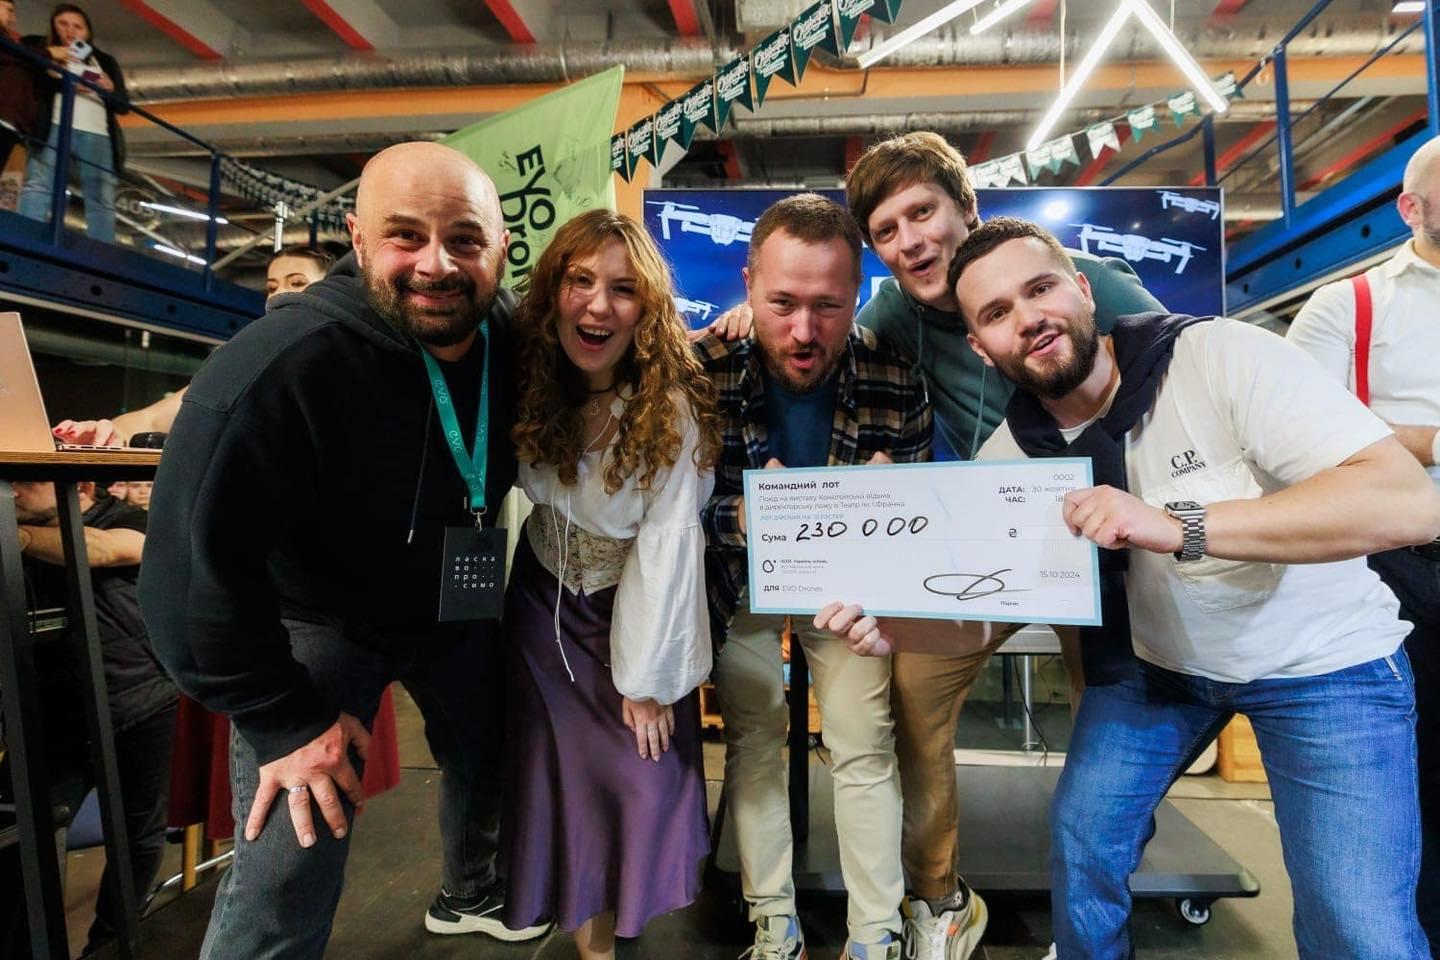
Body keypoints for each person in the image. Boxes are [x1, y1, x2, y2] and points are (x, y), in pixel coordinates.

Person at [704, 132, 1167, 960]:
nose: (911, 240)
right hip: (979, 548)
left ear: (968, 209)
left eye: (923, 213)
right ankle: (931, 900)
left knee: (1108, 726)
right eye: (888, 229)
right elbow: (805, 328)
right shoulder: (884, 322)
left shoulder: (1079, 283)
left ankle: (1077, 910)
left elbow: (1172, 362)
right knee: (894, 709)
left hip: (1116, 536)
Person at [929, 216, 1436, 958]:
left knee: (1356, 923)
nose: (1028, 318)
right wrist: (890, 623)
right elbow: (976, 604)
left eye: (1040, 289)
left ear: (1082, 288)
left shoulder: (1217, 356)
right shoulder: (1010, 460)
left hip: (1325, 664)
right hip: (1161, 670)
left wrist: (1180, 525)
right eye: (997, 312)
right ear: (980, 346)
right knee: (1083, 840)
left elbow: (1408, 503)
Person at [138, 141, 547, 957]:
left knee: (495, 748)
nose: (437, 264)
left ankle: (470, 891)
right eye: (406, 236)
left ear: (504, 249)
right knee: (295, 841)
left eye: (465, 239)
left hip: (451, 603)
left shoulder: (514, 340)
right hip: (319, 618)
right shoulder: (282, 364)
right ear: (358, 240)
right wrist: (282, 720)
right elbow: (183, 580)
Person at [697, 193, 932, 960]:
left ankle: (876, 936)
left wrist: (897, 505)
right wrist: (742, 516)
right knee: (754, 742)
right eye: (782, 304)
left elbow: (922, 515)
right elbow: (665, 510)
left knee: (864, 745)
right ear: (748, 285)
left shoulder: (896, 373)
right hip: (740, 583)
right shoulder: (702, 371)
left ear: (858, 291)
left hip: (849, 592)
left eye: (828, 306)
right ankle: (775, 925)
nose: (804, 332)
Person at [502, 209, 719, 958]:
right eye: (580, 281)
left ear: (647, 310)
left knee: (638, 783)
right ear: (552, 292)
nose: (598, 305)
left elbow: (668, 550)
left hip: (629, 617)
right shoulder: (530, 383)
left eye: (623, 290)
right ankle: (592, 949)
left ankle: (616, 936)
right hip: (537, 612)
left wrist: (646, 682)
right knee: (564, 792)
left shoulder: (671, 410)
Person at [1286, 133, 1440, 952]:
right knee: (1408, 783)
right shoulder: (1348, 306)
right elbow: (1293, 434)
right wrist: (1431, 441)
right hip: (1401, 570)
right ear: (1410, 207)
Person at [2, 480, 177, 957]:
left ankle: (110, 946)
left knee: (137, 834)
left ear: (78, 486)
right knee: (26, 835)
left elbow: (103, 550)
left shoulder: (130, 518)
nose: (14, 494)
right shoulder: (26, 530)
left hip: (139, 702)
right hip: (53, 712)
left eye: (27, 483)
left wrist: (14, 535)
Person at [53, 245, 337, 448]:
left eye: (297, 282)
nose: (278, 294)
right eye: (271, 287)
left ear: (331, 290)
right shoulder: (242, 361)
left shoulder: (347, 360)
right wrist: (106, 433)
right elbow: (153, 420)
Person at [17, 3, 127, 244]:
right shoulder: (41, 48)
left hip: (97, 132)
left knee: (101, 195)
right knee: (38, 184)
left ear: (88, 32)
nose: (70, 30)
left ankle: (101, 252)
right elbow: (28, 75)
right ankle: (27, 240)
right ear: (53, 26)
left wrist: (111, 89)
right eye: (63, 24)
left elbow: (123, 105)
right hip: (54, 124)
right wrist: (66, 83)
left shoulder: (104, 60)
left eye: (78, 26)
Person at [0, 0, 45, 175]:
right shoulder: (11, 48)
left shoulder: (12, 46)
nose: (13, 18)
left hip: (11, 123)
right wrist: (50, 53)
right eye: (9, 10)